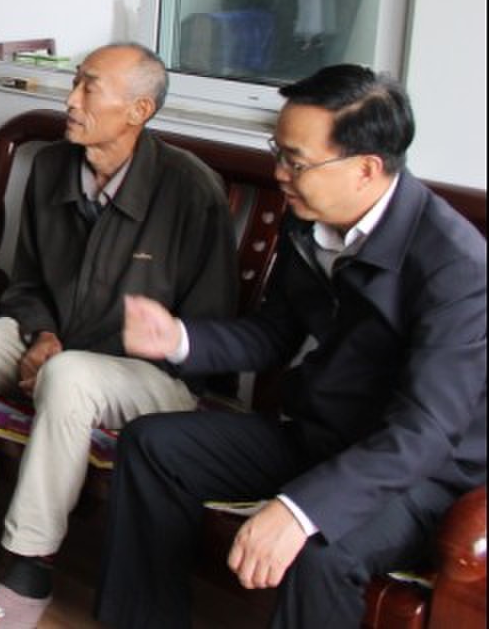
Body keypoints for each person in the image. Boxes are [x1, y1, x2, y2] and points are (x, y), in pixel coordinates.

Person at [98, 64, 486, 629]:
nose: (279, 173)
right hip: (324, 436)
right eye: (277, 152)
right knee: (154, 446)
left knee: (319, 550)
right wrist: (179, 337)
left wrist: (301, 510)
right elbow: (275, 332)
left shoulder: (456, 267)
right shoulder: (308, 220)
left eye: (296, 161)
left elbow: (424, 433)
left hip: (418, 477)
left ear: (366, 169)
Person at [0, 43, 236, 629]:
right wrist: (42, 333)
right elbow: (28, 280)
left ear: (138, 110)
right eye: (75, 83)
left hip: (155, 378)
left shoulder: (189, 189)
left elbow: (210, 324)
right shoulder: (54, 168)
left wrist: (73, 353)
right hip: (60, 347)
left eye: (89, 87)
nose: (71, 100)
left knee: (69, 375)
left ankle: (30, 563)